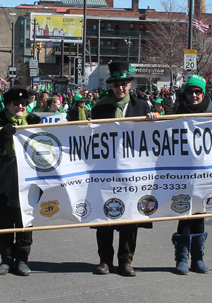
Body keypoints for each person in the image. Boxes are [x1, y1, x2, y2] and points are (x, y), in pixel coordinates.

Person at [91, 61, 157, 277]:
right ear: (111, 85)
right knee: (105, 217)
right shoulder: (100, 107)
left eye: (125, 83)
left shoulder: (142, 106)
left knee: (130, 216)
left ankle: (126, 261)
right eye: (117, 84)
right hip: (106, 171)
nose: (121, 87)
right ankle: (104, 261)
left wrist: (153, 121)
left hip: (133, 172)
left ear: (130, 84)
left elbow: (153, 137)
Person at [0, 88, 41, 276]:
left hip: (29, 178)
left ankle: (22, 259)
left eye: (23, 104)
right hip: (3, 178)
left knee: (24, 220)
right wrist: (1, 136)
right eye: (15, 104)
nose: (20, 107)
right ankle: (6, 259)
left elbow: (47, 147)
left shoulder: (34, 121)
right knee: (4, 220)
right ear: (8, 105)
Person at [170, 74, 212, 275]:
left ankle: (197, 259)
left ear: (203, 93)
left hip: (204, 172)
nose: (194, 95)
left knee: (199, 213)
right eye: (190, 92)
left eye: (198, 92)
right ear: (185, 93)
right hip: (181, 171)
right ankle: (181, 259)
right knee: (184, 213)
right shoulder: (176, 112)